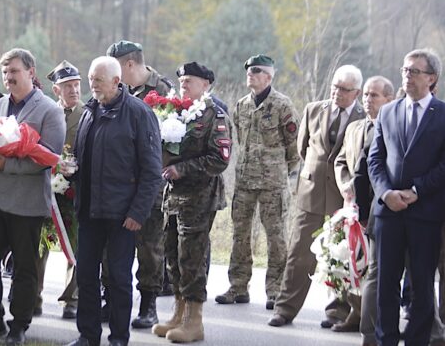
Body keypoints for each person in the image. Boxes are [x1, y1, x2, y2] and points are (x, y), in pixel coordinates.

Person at [0, 48, 65, 345]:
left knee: (24, 267)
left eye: (14, 72)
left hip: (27, 203)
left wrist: (6, 164)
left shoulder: (49, 110)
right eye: (5, 73)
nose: (8, 78)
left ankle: (19, 325)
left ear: (31, 73)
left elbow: (49, 157)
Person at [64, 56, 161, 346]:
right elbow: (84, 157)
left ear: (117, 82)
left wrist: (138, 212)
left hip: (122, 216)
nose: (92, 85)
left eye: (98, 80)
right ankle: (88, 336)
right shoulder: (89, 112)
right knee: (86, 276)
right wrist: (69, 171)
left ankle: (119, 338)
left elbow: (152, 170)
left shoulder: (138, 114)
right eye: (91, 79)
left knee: (118, 279)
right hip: (89, 212)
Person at [268, 65, 365, 327]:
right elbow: (303, 147)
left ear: (356, 92)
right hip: (310, 192)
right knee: (299, 254)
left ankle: (338, 311)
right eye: (335, 86)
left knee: (341, 255)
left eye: (344, 89)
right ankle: (285, 309)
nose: (337, 93)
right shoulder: (314, 109)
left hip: (342, 196)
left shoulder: (362, 116)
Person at [368, 48, 445, 346]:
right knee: (386, 285)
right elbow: (375, 160)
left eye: (414, 71)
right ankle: (385, 340)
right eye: (404, 70)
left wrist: (416, 191)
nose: (407, 76)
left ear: (431, 78)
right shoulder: (388, 111)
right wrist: (386, 193)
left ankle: (417, 341)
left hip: (424, 212)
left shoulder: (442, 115)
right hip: (389, 213)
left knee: (422, 287)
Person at [150, 61, 232, 343]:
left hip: (199, 198)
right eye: (182, 80)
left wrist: (181, 169)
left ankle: (194, 320)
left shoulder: (214, 115)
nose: (184, 83)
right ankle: (179, 312)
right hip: (172, 197)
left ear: (206, 85)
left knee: (192, 259)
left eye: (191, 80)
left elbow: (219, 159)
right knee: (172, 256)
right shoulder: (173, 112)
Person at [216, 55, 299, 310]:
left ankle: (275, 290)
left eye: (257, 71)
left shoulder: (282, 105)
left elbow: (293, 147)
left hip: (273, 182)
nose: (250, 74)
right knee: (239, 234)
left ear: (269, 77)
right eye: (248, 71)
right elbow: (240, 139)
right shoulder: (241, 106)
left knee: (276, 237)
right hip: (245, 180)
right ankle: (238, 286)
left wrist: (288, 176)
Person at [106, 39, 171, 327]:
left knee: (149, 247)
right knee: (113, 247)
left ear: (129, 64)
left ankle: (148, 305)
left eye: (115, 67)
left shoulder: (163, 92)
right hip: (117, 183)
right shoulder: (115, 91)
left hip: (149, 184)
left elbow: (170, 140)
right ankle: (113, 300)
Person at [334, 76, 396, 342]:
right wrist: (357, 201)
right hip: (374, 209)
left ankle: (428, 330)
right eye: (367, 95)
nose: (368, 100)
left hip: (413, 210)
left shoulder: (399, 122)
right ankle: (368, 331)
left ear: (390, 99)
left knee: (411, 277)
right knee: (372, 271)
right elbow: (363, 167)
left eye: (374, 95)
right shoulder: (365, 128)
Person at [35, 60, 83, 320]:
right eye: (68, 86)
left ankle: (71, 299)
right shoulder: (45, 113)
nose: (74, 90)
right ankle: (34, 296)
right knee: (39, 244)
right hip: (45, 190)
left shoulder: (88, 113)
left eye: (77, 85)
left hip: (73, 191)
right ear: (56, 90)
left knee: (74, 245)